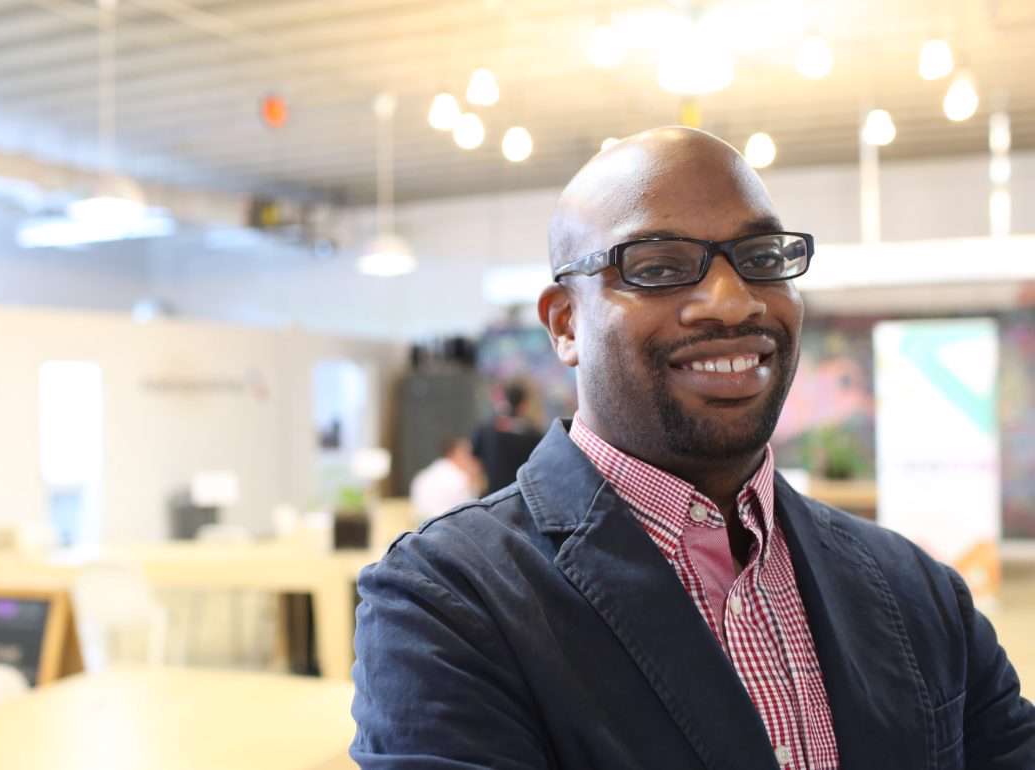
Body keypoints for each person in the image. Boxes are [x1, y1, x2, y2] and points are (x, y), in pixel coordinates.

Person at [350, 127, 1035, 768]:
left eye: (762, 259)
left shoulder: (916, 590)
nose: (732, 302)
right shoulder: (447, 605)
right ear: (565, 324)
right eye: (658, 266)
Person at [471, 380, 542, 494]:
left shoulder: (486, 428)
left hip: (490, 496)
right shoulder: (533, 433)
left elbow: (474, 460)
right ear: (524, 404)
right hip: (519, 495)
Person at [408, 436, 482, 522]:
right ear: (452, 454)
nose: (473, 459)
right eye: (467, 453)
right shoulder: (458, 478)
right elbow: (471, 510)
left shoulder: (426, 473)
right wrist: (474, 476)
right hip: (445, 524)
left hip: (423, 524)